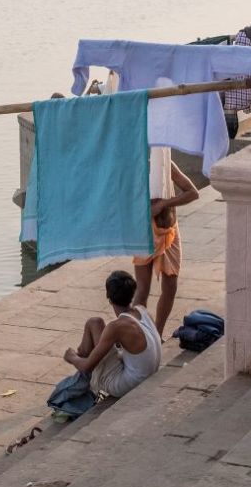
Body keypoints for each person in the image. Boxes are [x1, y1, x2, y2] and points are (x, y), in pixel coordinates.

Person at [62, 270, 161, 398]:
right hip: (146, 373)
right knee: (96, 323)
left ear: (109, 299)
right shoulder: (142, 311)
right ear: (132, 293)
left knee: (92, 328)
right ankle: (85, 357)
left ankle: (82, 362)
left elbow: (87, 367)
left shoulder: (116, 327)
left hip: (129, 384)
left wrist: (71, 357)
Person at [133, 161, 199, 339]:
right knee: (142, 289)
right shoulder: (133, 164)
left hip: (169, 230)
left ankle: (157, 334)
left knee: (170, 286)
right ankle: (136, 336)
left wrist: (164, 204)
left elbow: (193, 193)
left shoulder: (164, 163)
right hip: (144, 230)